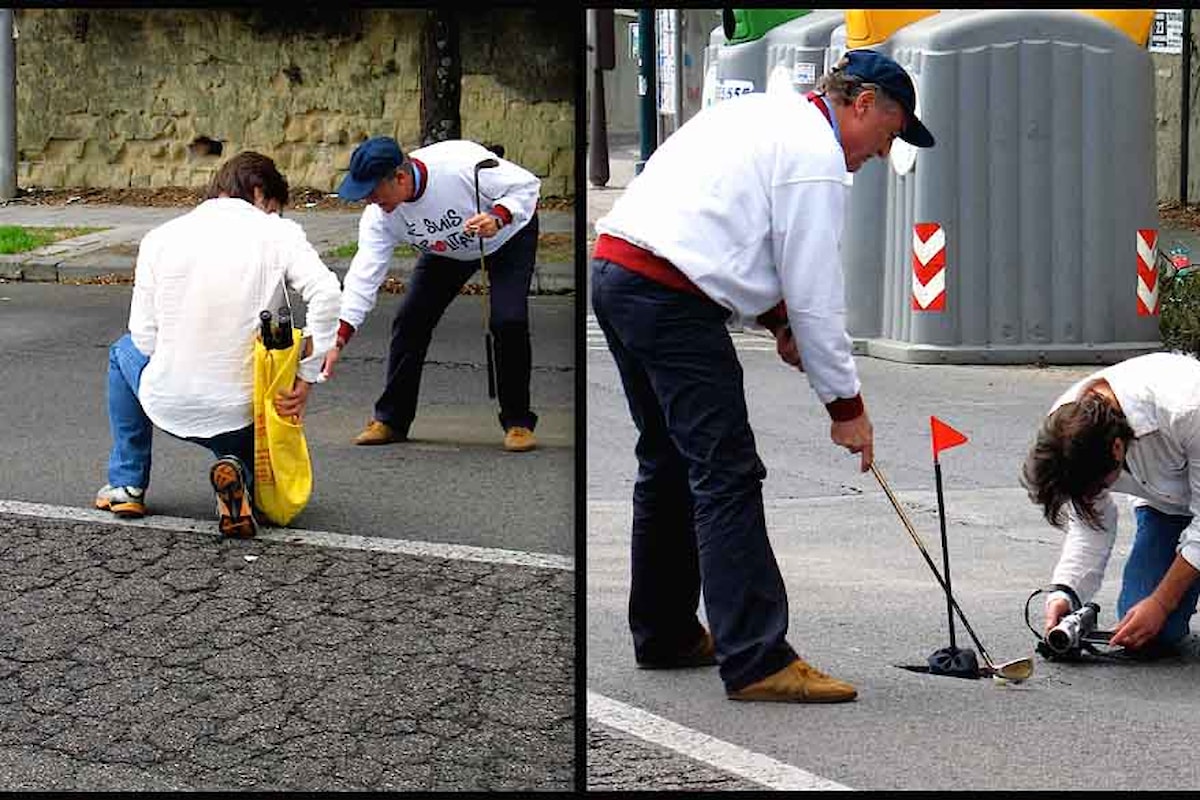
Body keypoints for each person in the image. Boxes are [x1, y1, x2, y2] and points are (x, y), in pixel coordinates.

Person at [590, 49, 935, 703]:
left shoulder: (768, 115)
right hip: (668, 295)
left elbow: (740, 237)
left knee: (666, 460)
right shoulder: (816, 160)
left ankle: (664, 631)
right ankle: (756, 657)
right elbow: (815, 295)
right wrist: (845, 407)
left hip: (619, 272)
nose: (880, 156)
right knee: (727, 471)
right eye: (888, 136)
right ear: (862, 105)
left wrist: (777, 321)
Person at [95, 151, 342, 538]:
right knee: (248, 453)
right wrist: (307, 375)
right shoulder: (278, 234)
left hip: (168, 403)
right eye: (274, 208)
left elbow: (144, 338)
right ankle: (236, 474)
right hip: (246, 413)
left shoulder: (159, 238)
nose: (275, 217)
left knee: (121, 353)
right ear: (258, 191)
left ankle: (127, 485)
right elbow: (327, 293)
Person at [322, 136, 542, 453]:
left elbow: (527, 186)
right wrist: (340, 335)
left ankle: (518, 422)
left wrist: (499, 217)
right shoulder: (380, 215)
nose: (368, 200)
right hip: (446, 250)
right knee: (410, 320)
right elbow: (364, 276)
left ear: (399, 177)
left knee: (508, 321)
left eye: (372, 191)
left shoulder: (459, 164)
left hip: (505, 237)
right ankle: (392, 420)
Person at [1022, 351, 1200, 655]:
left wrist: (1161, 601)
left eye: (1100, 486)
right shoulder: (1066, 430)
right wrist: (1067, 591)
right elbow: (1091, 524)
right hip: (1167, 507)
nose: (1095, 494)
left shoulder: (1187, 407)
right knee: (1148, 633)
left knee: (1157, 608)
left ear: (1118, 448)